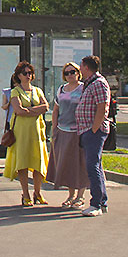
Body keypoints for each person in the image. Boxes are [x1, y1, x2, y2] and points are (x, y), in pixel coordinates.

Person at [3, 61, 49, 205]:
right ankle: (26, 194)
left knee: (38, 162)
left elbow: (46, 107)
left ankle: (37, 192)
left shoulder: (37, 91)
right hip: (21, 132)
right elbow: (18, 110)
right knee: (23, 162)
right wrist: (36, 109)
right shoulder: (15, 91)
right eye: (25, 73)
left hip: (37, 131)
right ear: (18, 76)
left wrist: (29, 111)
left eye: (30, 73)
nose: (28, 76)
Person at [46, 61, 89, 208]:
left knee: (80, 163)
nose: (70, 75)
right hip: (63, 131)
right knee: (67, 164)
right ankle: (71, 195)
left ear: (78, 73)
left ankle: (80, 196)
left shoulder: (84, 88)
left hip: (79, 131)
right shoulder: (61, 89)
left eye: (73, 72)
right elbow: (56, 110)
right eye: (67, 73)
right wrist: (54, 129)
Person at [75, 55, 110, 217]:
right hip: (86, 130)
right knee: (96, 165)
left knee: (92, 166)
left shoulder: (99, 83)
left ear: (87, 67)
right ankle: (102, 201)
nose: (79, 70)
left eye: (81, 66)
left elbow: (102, 108)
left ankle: (95, 203)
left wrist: (94, 129)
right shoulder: (89, 83)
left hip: (93, 131)